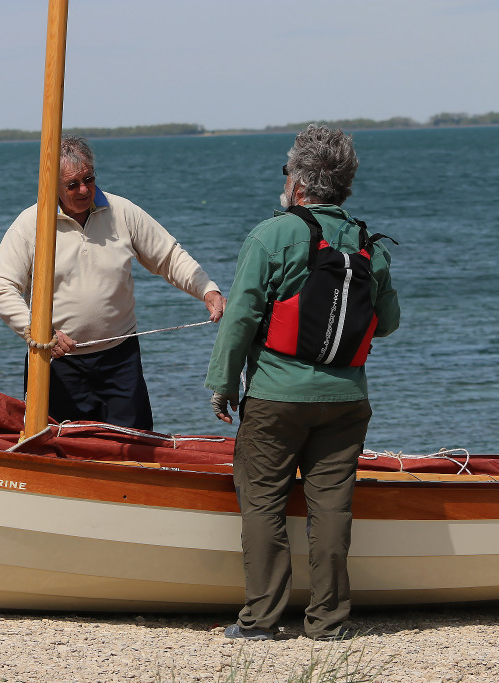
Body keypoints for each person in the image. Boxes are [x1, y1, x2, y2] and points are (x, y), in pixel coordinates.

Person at [205, 125, 401, 641]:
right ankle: (329, 621)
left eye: (286, 169)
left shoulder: (272, 235)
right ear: (345, 184)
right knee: (332, 508)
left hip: (276, 399)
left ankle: (262, 620)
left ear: (298, 185)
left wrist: (222, 385)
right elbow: (391, 320)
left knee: (263, 502)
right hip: (346, 401)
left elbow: (241, 318)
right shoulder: (369, 245)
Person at [0, 134, 226, 430]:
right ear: (53, 185)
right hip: (57, 365)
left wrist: (207, 289)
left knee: (135, 448)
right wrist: (37, 330)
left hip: (120, 362)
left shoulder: (122, 211)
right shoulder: (31, 223)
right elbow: (1, 286)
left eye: (88, 178)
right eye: (72, 185)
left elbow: (169, 256)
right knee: (63, 454)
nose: (84, 189)